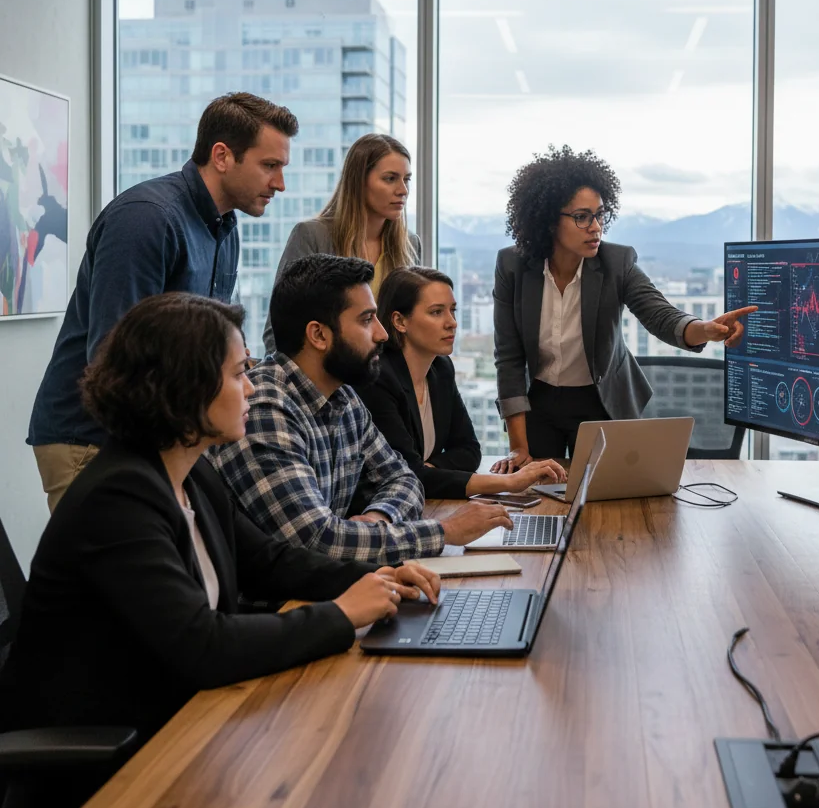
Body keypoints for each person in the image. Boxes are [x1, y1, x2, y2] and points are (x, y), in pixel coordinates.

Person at [0, 293, 439, 808]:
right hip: (113, 777)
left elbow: (269, 560)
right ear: (185, 387)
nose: (252, 388)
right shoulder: (118, 499)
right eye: (239, 375)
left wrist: (370, 578)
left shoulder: (191, 472)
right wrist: (342, 615)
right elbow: (201, 645)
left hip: (189, 731)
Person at [27, 92, 298, 512]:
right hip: (94, 440)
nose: (280, 183)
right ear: (222, 156)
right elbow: (111, 357)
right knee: (123, 576)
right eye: (270, 166)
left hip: (162, 437)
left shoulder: (225, 227)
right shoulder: (146, 218)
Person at [213, 254, 513, 562]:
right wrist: (445, 531)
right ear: (319, 335)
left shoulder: (343, 396)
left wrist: (379, 518)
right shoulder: (266, 410)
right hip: (281, 604)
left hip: (333, 587)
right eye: (366, 319)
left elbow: (404, 479)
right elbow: (316, 541)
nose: (382, 334)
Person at [491, 145, 757, 471]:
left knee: (608, 501)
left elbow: (659, 314)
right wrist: (518, 447)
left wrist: (704, 330)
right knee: (538, 495)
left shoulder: (616, 262)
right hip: (539, 403)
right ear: (547, 220)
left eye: (600, 214)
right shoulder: (512, 266)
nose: (595, 226)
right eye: (581, 217)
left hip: (601, 402)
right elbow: (509, 358)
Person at [357, 266, 568, 498]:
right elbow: (403, 475)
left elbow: (469, 451)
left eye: (453, 310)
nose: (452, 323)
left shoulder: (441, 368)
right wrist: (509, 482)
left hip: (426, 504)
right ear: (399, 321)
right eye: (437, 312)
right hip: (377, 515)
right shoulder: (378, 378)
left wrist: (429, 469)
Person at [263, 133, 420, 352]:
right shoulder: (312, 236)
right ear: (359, 182)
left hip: (389, 381)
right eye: (390, 178)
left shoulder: (410, 245)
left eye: (407, 179)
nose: (403, 190)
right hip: (326, 380)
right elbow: (278, 330)